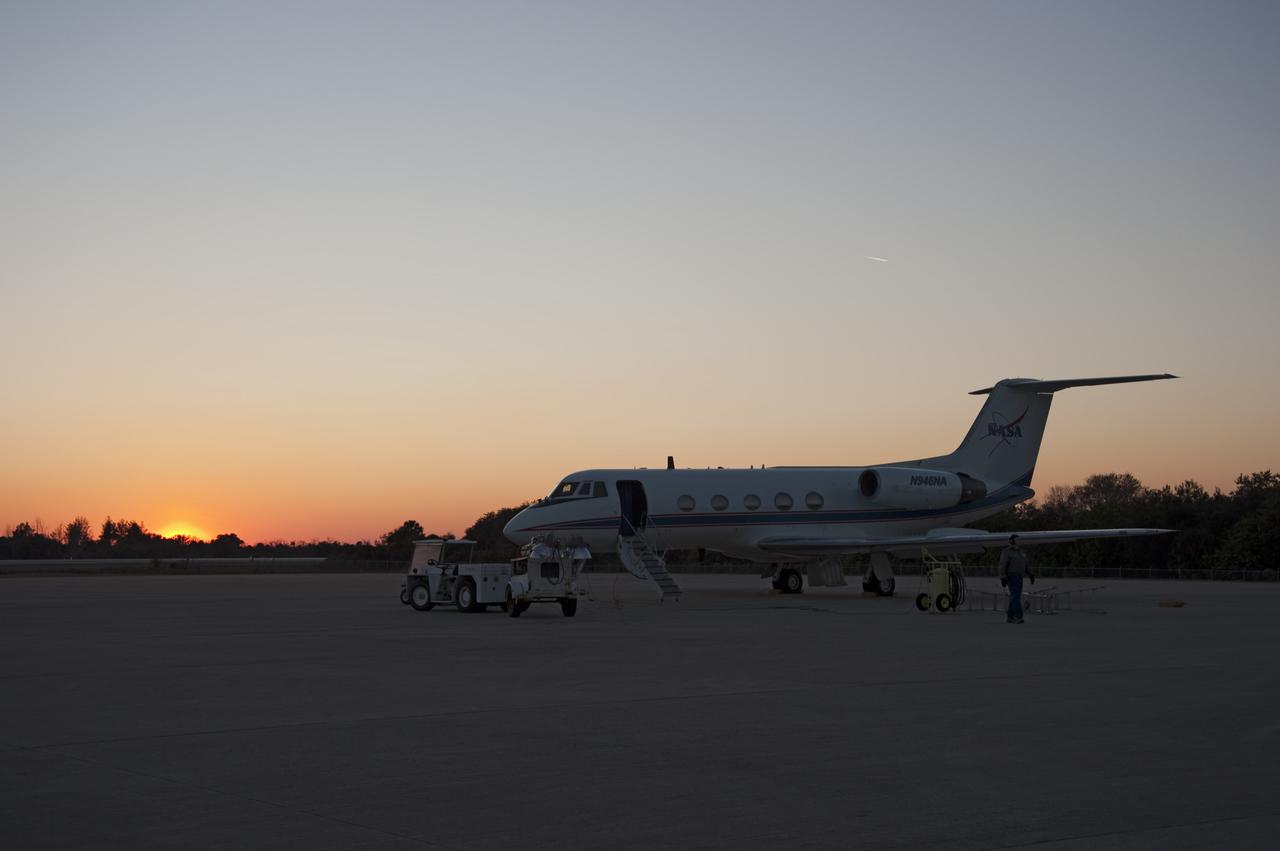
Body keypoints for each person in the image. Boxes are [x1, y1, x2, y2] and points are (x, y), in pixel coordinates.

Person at [998, 534, 1035, 624]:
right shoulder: (1006, 552)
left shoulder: (1021, 552)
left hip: (1019, 576)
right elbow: (1002, 565)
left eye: (1019, 539)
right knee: (1015, 597)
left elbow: (1025, 564)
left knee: (1014, 597)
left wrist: (1030, 574)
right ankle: (1018, 616)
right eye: (1017, 539)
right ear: (1012, 541)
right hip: (1011, 576)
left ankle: (1010, 617)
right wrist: (1002, 577)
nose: (1019, 541)